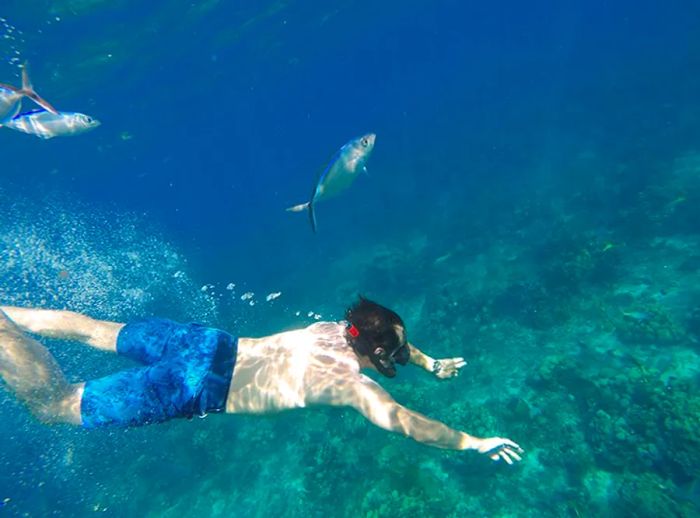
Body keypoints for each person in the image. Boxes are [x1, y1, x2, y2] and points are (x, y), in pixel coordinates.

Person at [0, 297, 522, 464]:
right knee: (55, 405)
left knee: (95, 332)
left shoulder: (337, 328)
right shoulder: (350, 385)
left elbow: (389, 339)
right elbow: (407, 424)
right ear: (373, 353)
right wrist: (472, 442)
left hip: (211, 344)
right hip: (197, 388)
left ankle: (6, 311)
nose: (398, 357)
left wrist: (428, 364)